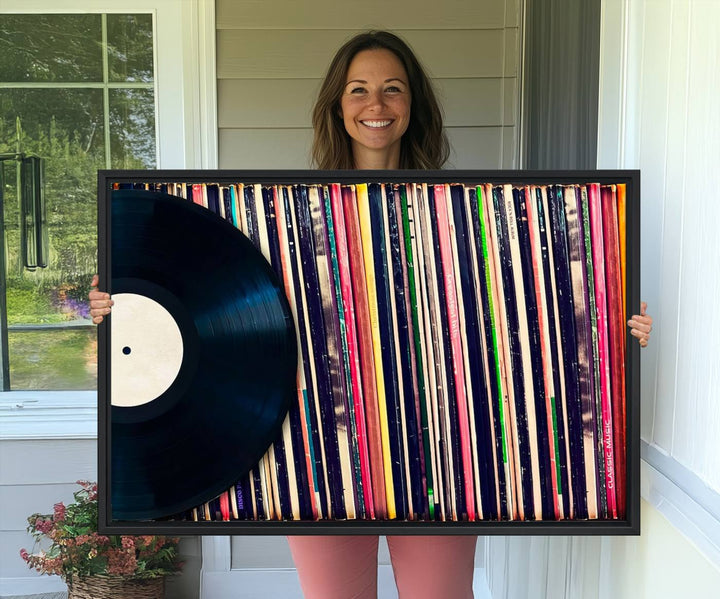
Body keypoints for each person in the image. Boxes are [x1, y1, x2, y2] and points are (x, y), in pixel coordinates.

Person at [89, 30, 653, 599]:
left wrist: (611, 321)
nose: (376, 105)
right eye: (359, 90)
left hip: (443, 457)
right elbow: (212, 308)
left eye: (392, 89)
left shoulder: (467, 215)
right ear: (338, 105)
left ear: (413, 106)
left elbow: (533, 306)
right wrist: (123, 309)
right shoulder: (283, 220)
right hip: (317, 452)